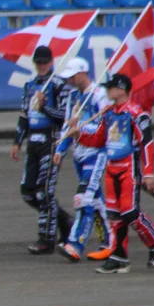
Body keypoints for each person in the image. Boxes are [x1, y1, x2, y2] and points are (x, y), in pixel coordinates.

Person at [68, 73, 154, 275]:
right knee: (114, 215)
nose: (107, 90)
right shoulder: (108, 113)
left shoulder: (136, 114)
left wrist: (148, 174)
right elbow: (98, 139)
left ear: (121, 89)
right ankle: (119, 257)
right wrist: (79, 134)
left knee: (129, 212)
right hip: (111, 166)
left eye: (111, 87)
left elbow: (147, 143)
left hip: (129, 167)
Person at [10, 45, 71, 255]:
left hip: (51, 141)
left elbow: (65, 116)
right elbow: (24, 115)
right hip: (33, 143)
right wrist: (17, 141)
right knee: (28, 192)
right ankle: (64, 220)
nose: (42, 66)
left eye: (45, 62)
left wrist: (44, 106)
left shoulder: (59, 85)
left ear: (51, 62)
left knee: (45, 191)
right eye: (38, 62)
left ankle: (46, 238)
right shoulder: (29, 86)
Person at [52, 58, 111, 263]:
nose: (69, 80)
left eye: (72, 76)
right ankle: (110, 241)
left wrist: (81, 130)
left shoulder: (99, 96)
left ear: (83, 73)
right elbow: (68, 126)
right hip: (79, 155)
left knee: (82, 199)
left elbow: (106, 127)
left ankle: (75, 244)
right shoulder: (73, 97)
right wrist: (61, 149)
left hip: (95, 154)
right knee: (95, 201)